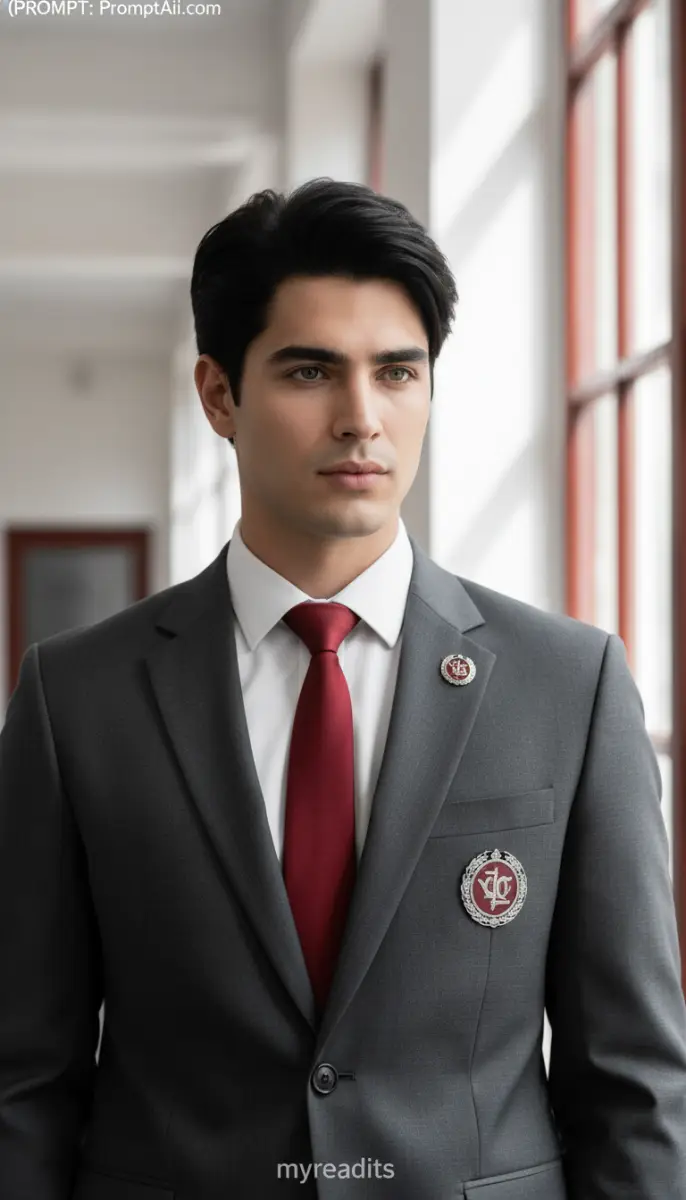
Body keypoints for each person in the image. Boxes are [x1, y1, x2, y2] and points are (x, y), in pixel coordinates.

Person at [1, 178, 685, 1200]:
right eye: (310, 371)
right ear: (219, 394)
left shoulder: (566, 686)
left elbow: (631, 1085)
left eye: (396, 373)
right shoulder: (76, 698)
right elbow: (26, 1080)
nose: (360, 418)